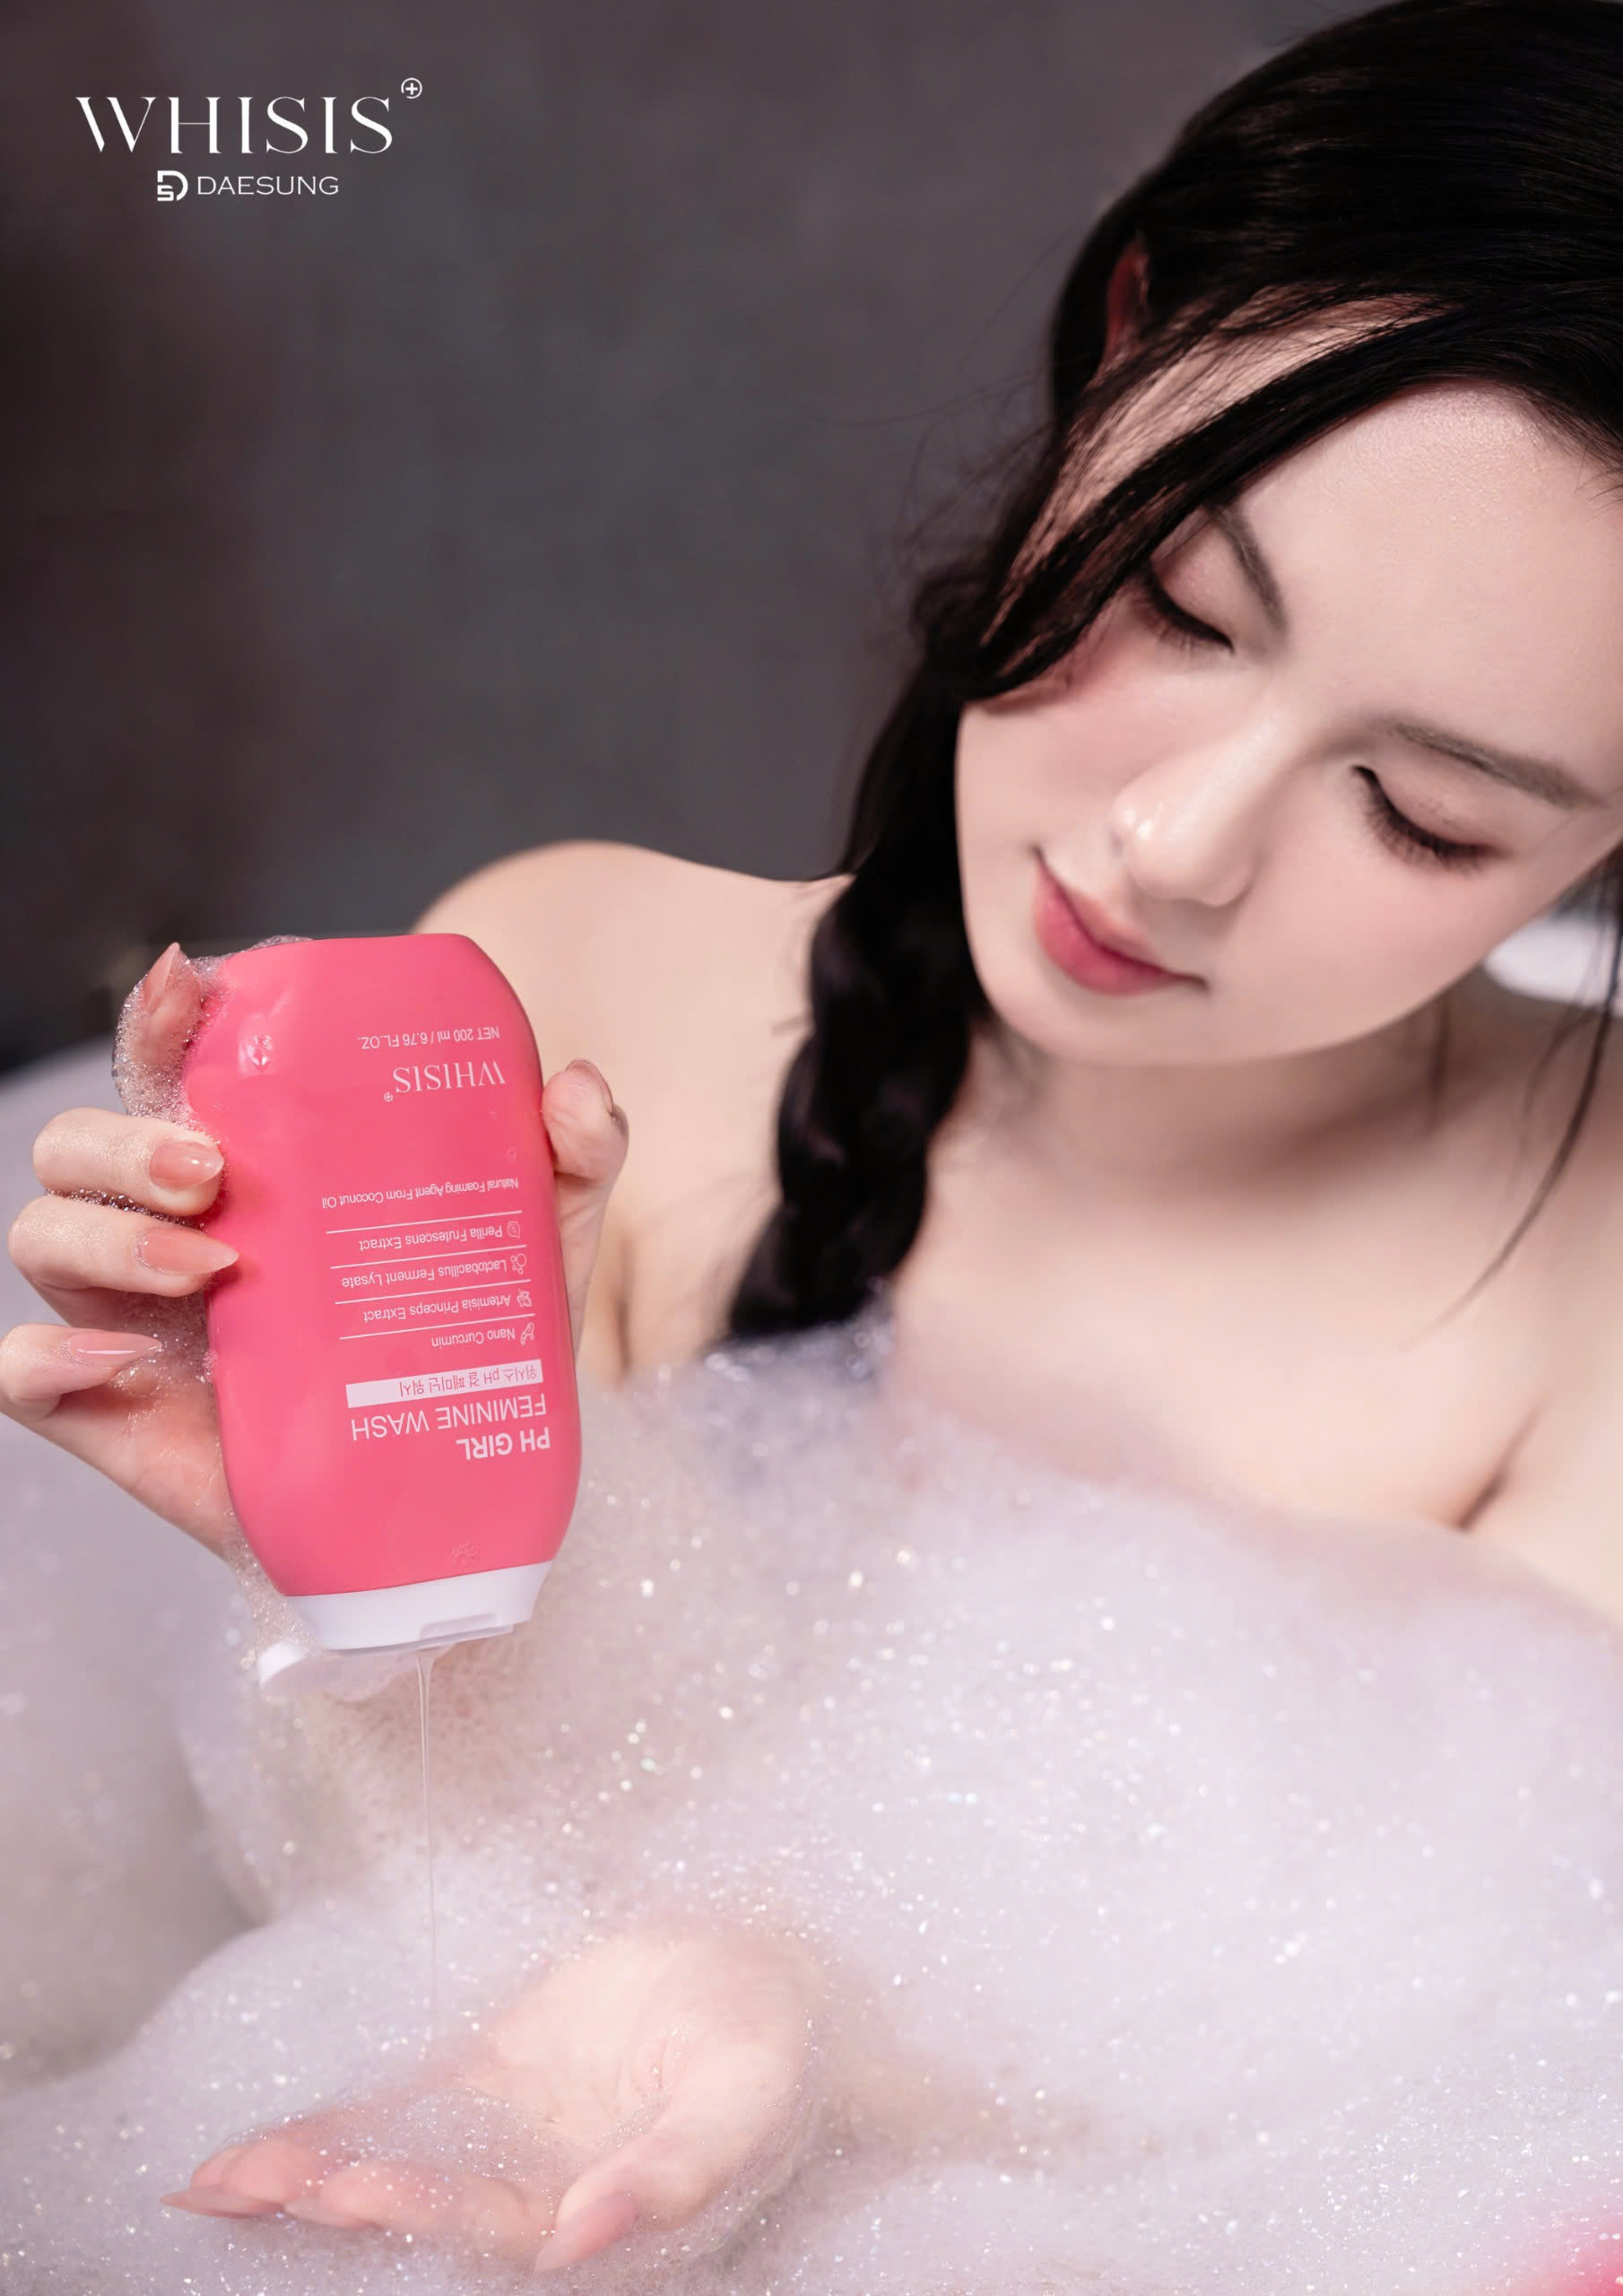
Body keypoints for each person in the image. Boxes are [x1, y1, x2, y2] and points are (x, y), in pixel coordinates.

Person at [8, 0, 1623, 2274]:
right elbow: (376, 1908)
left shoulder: (1586, 1286)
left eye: (1421, 811)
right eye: (1178, 603)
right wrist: (350, 1593)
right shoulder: (558, 986)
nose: (1173, 846)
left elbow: (1491, 2073)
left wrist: (806, 2030)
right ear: (1124, 337)